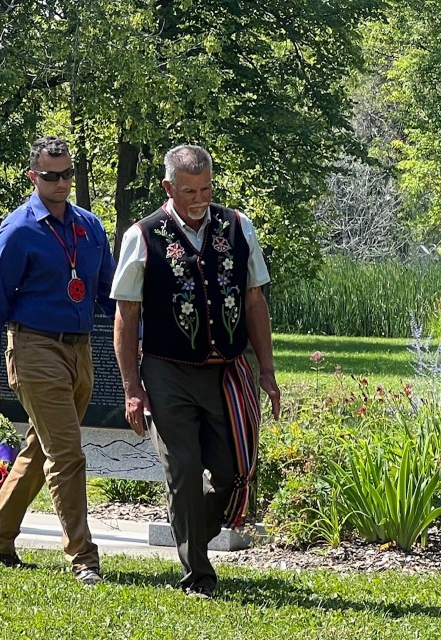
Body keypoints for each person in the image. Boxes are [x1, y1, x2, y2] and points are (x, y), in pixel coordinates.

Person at [111, 144, 280, 598]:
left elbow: (254, 300)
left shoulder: (238, 227)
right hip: (167, 371)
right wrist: (132, 387)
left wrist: (266, 369)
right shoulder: (143, 235)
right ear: (169, 187)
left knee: (233, 473)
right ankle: (199, 575)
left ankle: (190, 531)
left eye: (206, 188)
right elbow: (126, 315)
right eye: (189, 191)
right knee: (184, 469)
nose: (200, 198)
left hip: (227, 372)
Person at [0, 135, 116, 585]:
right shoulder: (18, 230)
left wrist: (139, 340)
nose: (61, 183)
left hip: (79, 348)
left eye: (68, 174)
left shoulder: (90, 227)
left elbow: (110, 296)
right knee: (68, 454)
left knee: (41, 448)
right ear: (33, 177)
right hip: (34, 347)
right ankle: (83, 557)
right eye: (51, 175)